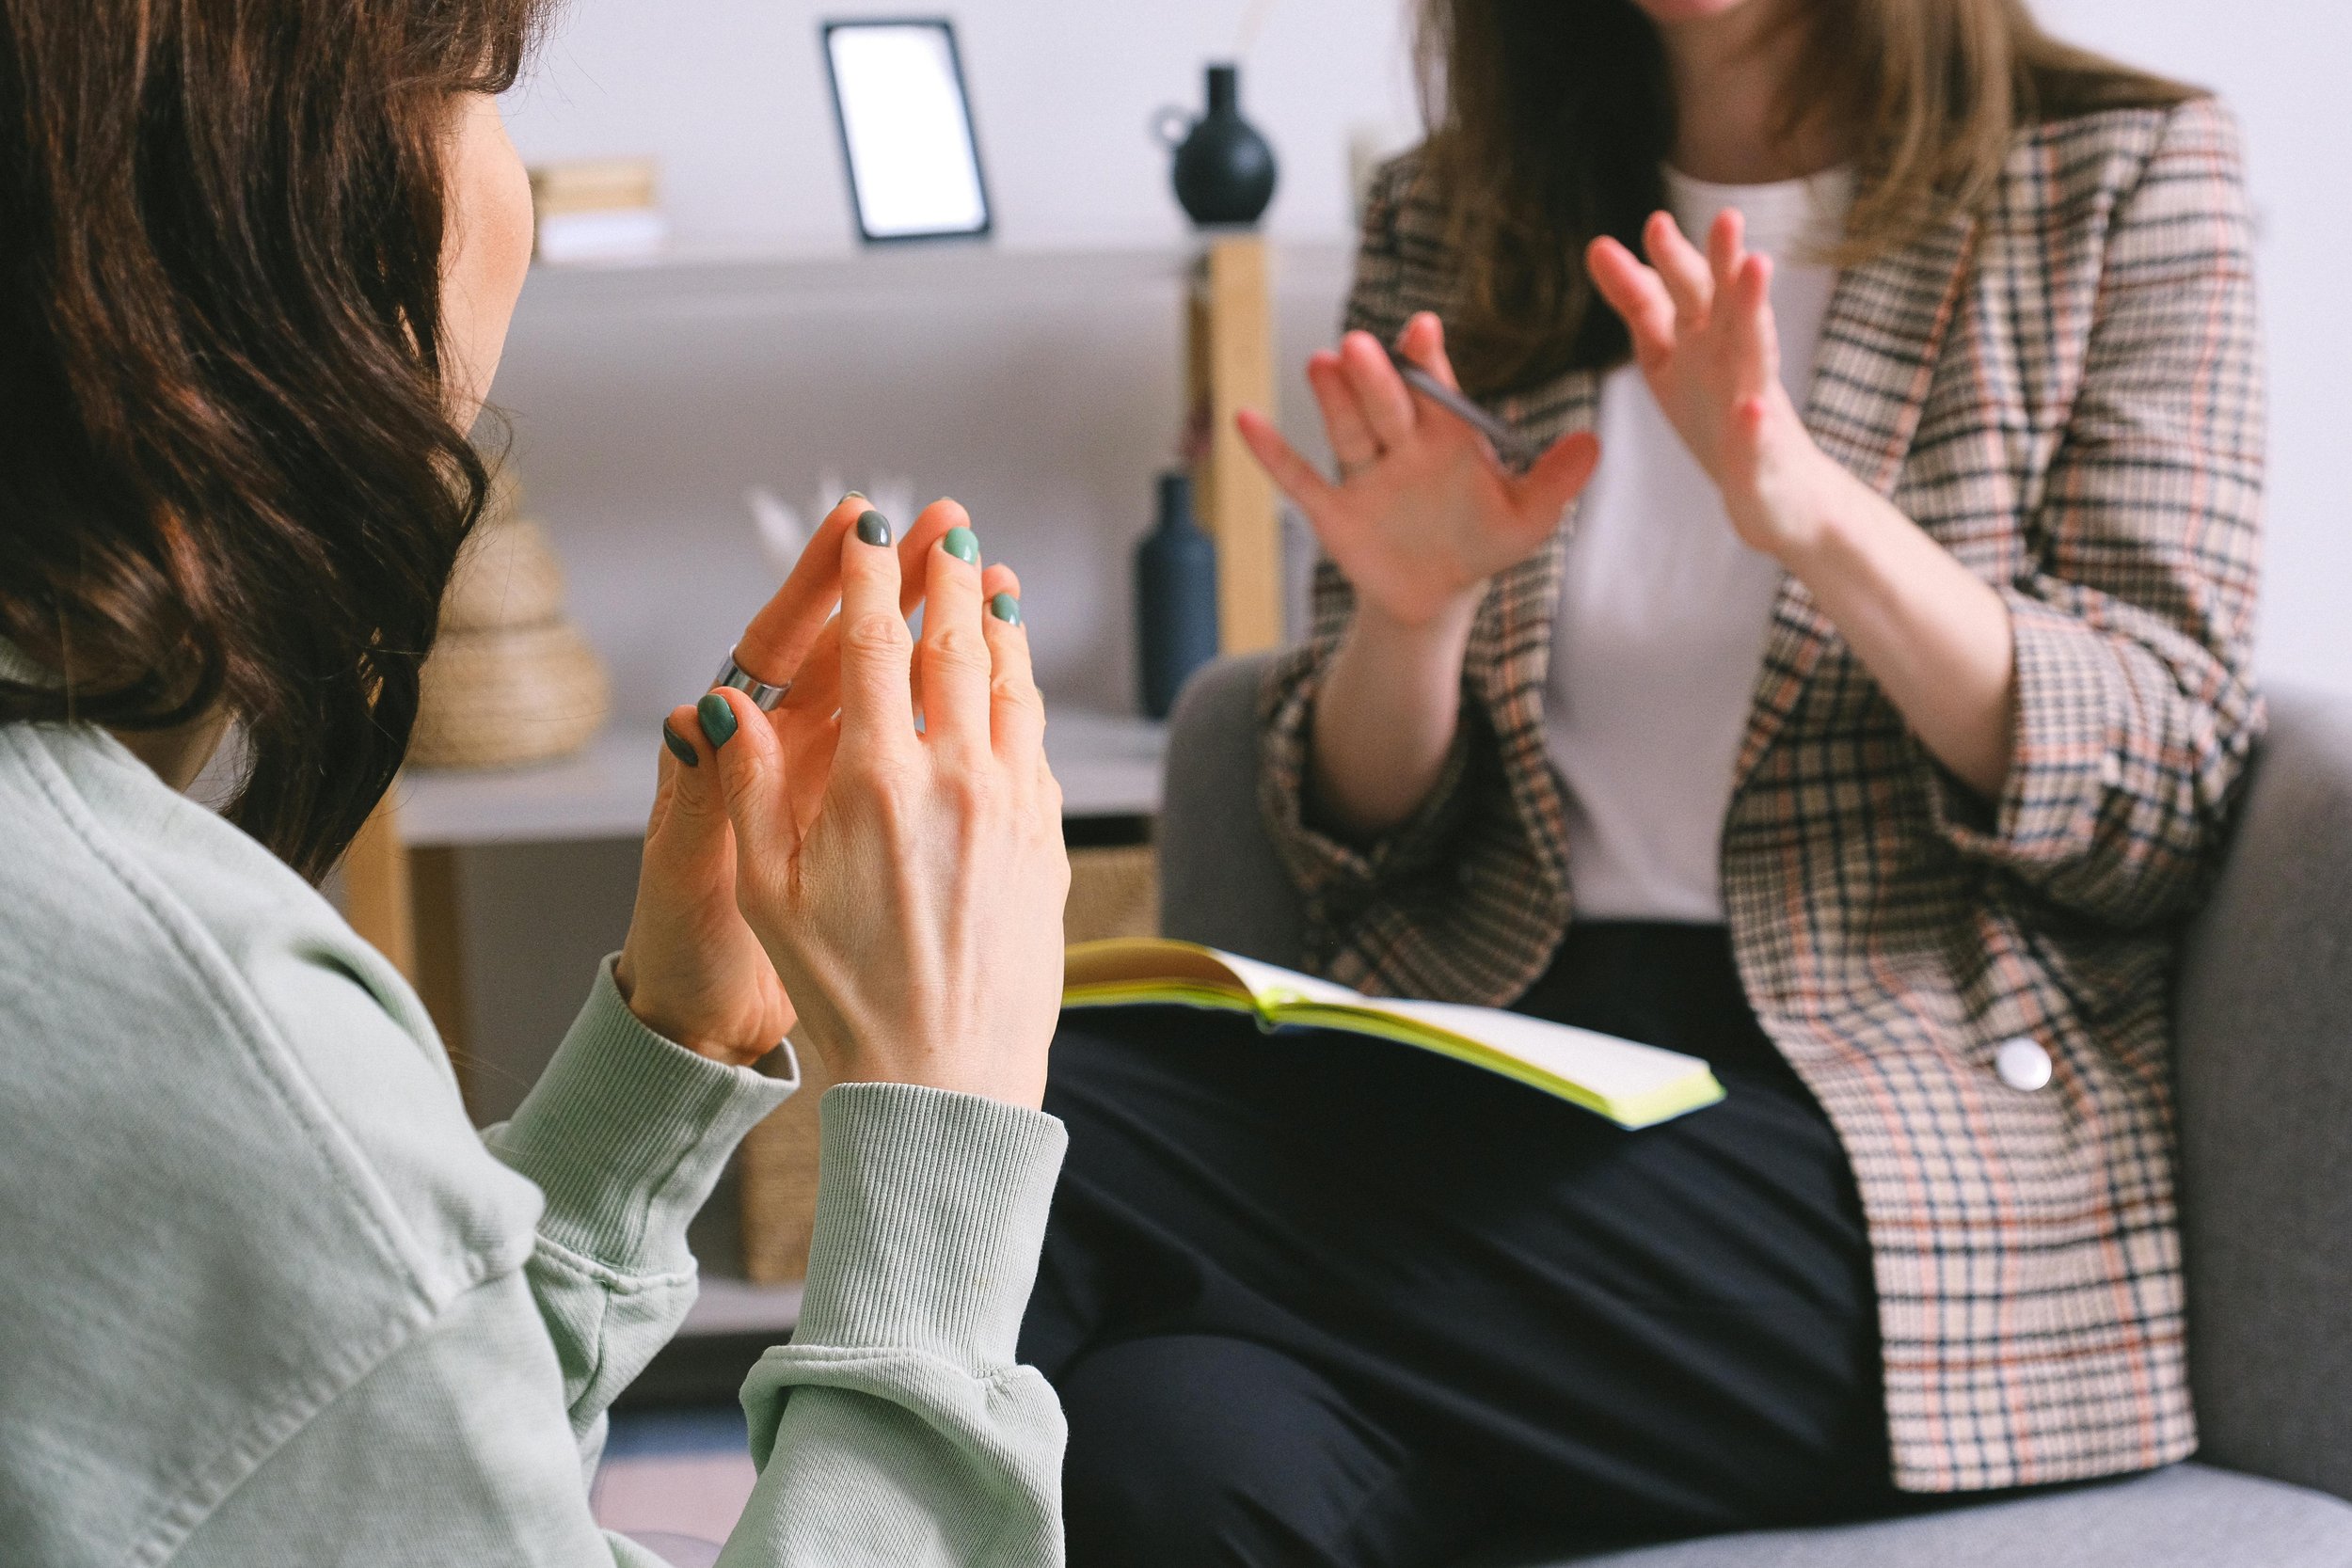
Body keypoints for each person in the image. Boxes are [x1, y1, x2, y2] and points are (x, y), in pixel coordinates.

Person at [1020, 0, 2263, 1561]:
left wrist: (1813, 513)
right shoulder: (1461, 208)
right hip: (1488, 1095)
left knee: (1026, 1090)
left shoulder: (2120, 173)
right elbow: (1361, 849)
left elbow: (2169, 791)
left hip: (1880, 1171)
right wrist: (1415, 614)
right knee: (1165, 1453)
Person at [0, 4, 1071, 1565]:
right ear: (239, 188)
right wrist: (951, 1120)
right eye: (476, 91)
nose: (520, 200)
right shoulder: (208, 1043)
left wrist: (669, 1052)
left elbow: (353, 1468)